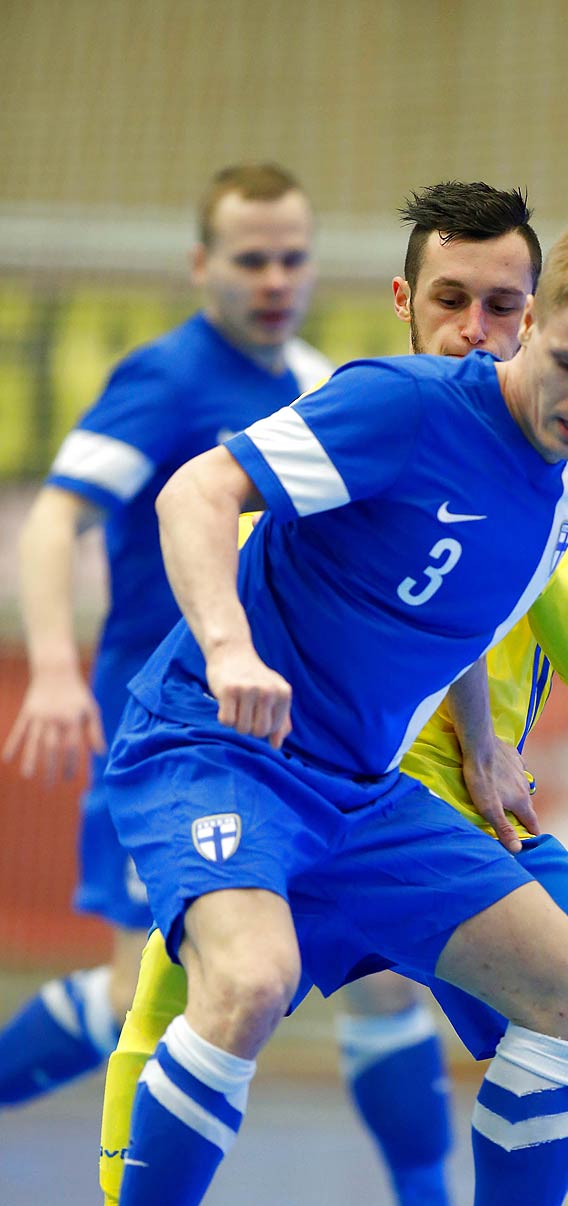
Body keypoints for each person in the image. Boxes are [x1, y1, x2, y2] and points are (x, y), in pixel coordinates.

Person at [57, 212, 568, 1206]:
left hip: (360, 787)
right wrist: (232, 647)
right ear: (530, 326)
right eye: (567, 361)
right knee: (246, 982)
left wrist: (486, 737)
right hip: (217, 747)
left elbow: (449, 610)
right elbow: (201, 490)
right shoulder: (401, 406)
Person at [0, 162, 328, 1109]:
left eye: (293, 259)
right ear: (200, 264)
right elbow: (54, 520)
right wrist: (56, 672)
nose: (275, 281)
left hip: (267, 717)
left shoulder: (314, 383)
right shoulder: (166, 376)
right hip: (162, 719)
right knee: (139, 988)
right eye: (251, 259)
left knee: (335, 977)